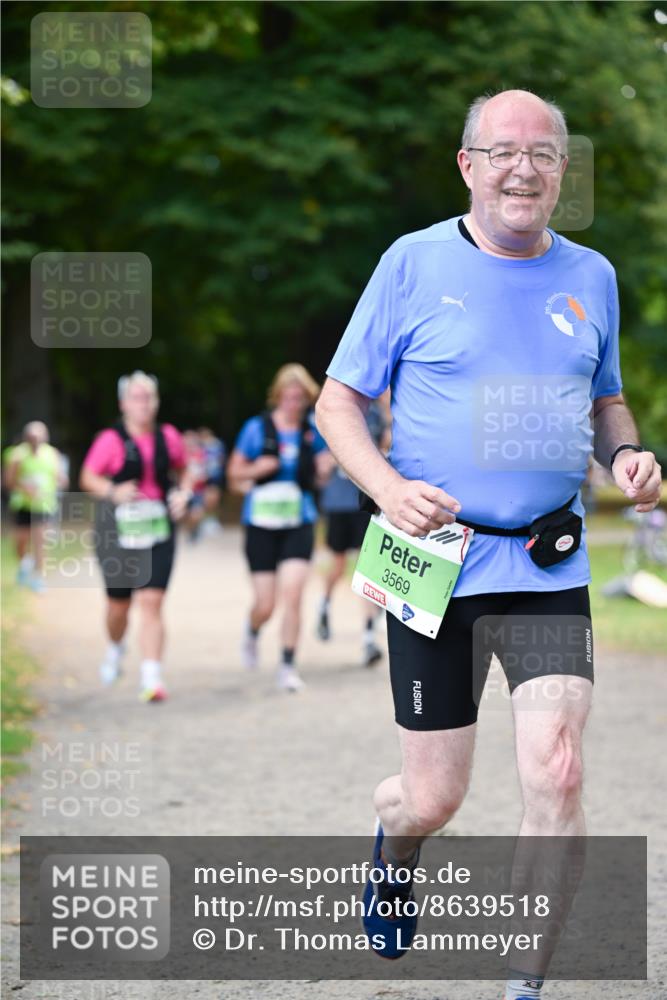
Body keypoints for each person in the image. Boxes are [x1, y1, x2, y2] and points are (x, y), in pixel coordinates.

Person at [316, 89, 662, 999]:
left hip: (547, 562)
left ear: (561, 172)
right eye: (502, 151)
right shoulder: (411, 263)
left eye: (543, 153)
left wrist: (625, 452)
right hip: (433, 564)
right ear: (467, 164)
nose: (523, 168)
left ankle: (523, 983)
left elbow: (604, 400)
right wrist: (387, 490)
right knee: (433, 796)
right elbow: (336, 401)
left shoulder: (592, 276)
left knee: (558, 764)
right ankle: (396, 846)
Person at [80, 371, 193, 702]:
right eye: (136, 397)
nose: (143, 404)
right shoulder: (109, 440)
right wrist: (112, 490)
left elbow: (184, 469)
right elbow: (88, 476)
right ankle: (116, 647)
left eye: (148, 397)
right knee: (119, 605)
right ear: (123, 403)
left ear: (156, 402)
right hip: (116, 530)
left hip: (158, 527)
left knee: (151, 600)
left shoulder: (168, 436)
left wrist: (183, 493)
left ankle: (151, 677)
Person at [227, 364, 331, 692]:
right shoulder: (256, 429)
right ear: (277, 396)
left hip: (299, 520)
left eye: (299, 398)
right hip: (261, 523)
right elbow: (234, 474)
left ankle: (287, 664)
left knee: (294, 594)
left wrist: (325, 468)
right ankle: (253, 629)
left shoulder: (311, 431)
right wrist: (259, 467)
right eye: (288, 397)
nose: (293, 403)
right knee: (266, 603)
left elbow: (320, 474)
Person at [316, 397, 389, 666]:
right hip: (338, 502)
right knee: (337, 564)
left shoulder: (378, 416)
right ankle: (323, 604)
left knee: (366, 568)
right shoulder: (335, 407)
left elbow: (386, 447)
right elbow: (319, 460)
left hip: (366, 500)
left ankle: (368, 639)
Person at [5, 421, 68, 592]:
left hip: (44, 505)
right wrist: (24, 488)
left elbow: (61, 478)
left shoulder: (52, 454)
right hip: (23, 505)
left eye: (40, 436)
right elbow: (8, 482)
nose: (36, 440)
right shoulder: (16, 455)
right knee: (21, 543)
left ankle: (38, 578)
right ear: (26, 437)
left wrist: (60, 482)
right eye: (32, 436)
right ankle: (25, 565)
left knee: (40, 542)